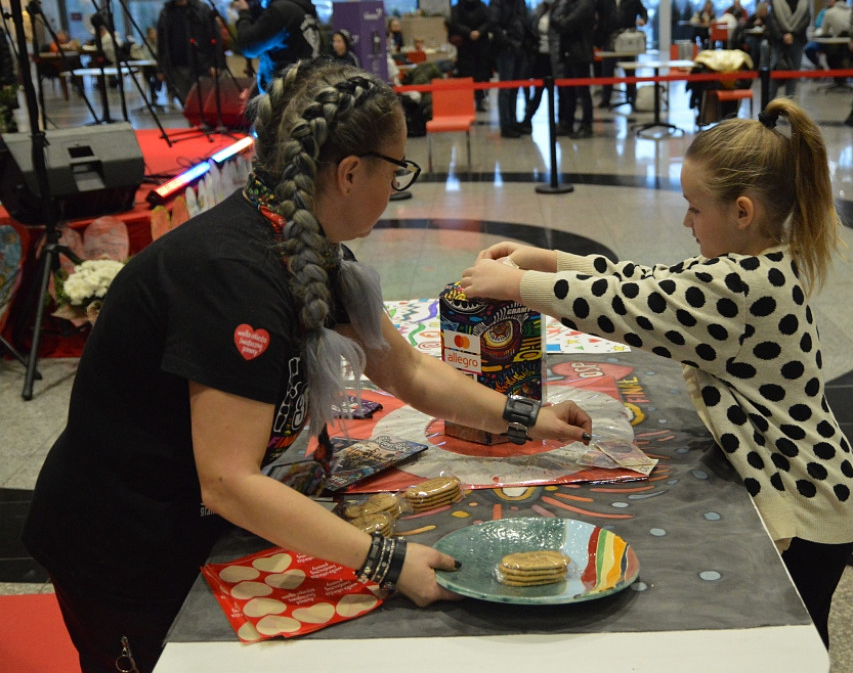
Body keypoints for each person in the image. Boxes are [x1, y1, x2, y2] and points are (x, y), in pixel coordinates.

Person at [22, 61, 592, 673]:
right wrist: (386, 560)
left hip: (192, 520)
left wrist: (527, 417)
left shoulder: (302, 240)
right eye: (396, 170)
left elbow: (403, 370)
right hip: (124, 545)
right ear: (350, 172)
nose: (398, 186)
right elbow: (228, 480)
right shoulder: (234, 276)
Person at [460, 98, 853, 649]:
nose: (686, 221)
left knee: (794, 643)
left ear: (742, 211)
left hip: (806, 502)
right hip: (813, 485)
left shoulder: (744, 285)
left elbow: (636, 307)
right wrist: (549, 260)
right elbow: (650, 279)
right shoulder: (754, 263)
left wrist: (519, 286)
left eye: (695, 208)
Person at [234, 0, 322, 92]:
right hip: (302, 90)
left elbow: (249, 46)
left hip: (284, 95)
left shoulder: (281, 11)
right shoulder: (303, 7)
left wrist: (244, 13)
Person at [156, 0, 222, 108]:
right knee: (188, 105)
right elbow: (161, 42)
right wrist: (161, 68)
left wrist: (216, 63)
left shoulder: (201, 9)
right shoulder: (166, 12)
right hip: (176, 68)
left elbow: (215, 37)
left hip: (201, 66)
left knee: (204, 104)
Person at [551, 0, 595, 138]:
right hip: (569, 52)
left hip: (580, 53)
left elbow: (567, 24)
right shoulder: (571, 2)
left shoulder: (585, 2)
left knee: (582, 91)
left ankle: (586, 124)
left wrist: (558, 21)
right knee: (568, 91)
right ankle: (567, 122)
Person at [595, 0, 648, 109]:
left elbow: (643, 11)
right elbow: (594, 11)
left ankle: (632, 97)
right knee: (607, 69)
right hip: (609, 38)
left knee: (629, 70)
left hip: (627, 38)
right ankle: (606, 98)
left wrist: (643, 19)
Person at [489, 0, 531, 137]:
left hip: (520, 48)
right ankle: (505, 125)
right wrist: (507, 43)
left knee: (514, 88)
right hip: (506, 49)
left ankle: (513, 121)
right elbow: (494, 24)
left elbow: (525, 21)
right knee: (506, 89)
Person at [520, 0, 562, 133]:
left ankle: (561, 122)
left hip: (556, 56)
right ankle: (527, 120)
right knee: (537, 91)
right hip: (540, 56)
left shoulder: (562, 9)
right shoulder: (539, 9)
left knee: (560, 92)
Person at [448, 0, 493, 112]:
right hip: (465, 49)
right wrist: (469, 33)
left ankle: (480, 101)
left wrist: (479, 32)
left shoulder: (483, 7)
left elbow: (489, 22)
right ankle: (466, 103)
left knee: (480, 77)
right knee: (466, 76)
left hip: (481, 49)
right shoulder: (457, 8)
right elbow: (455, 24)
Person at [764, 0, 810, 100]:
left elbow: (806, 20)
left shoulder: (804, 1)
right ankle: (770, 106)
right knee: (775, 74)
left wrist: (793, 34)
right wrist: (782, 36)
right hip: (779, 42)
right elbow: (772, 21)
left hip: (797, 41)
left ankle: (789, 107)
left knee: (793, 76)